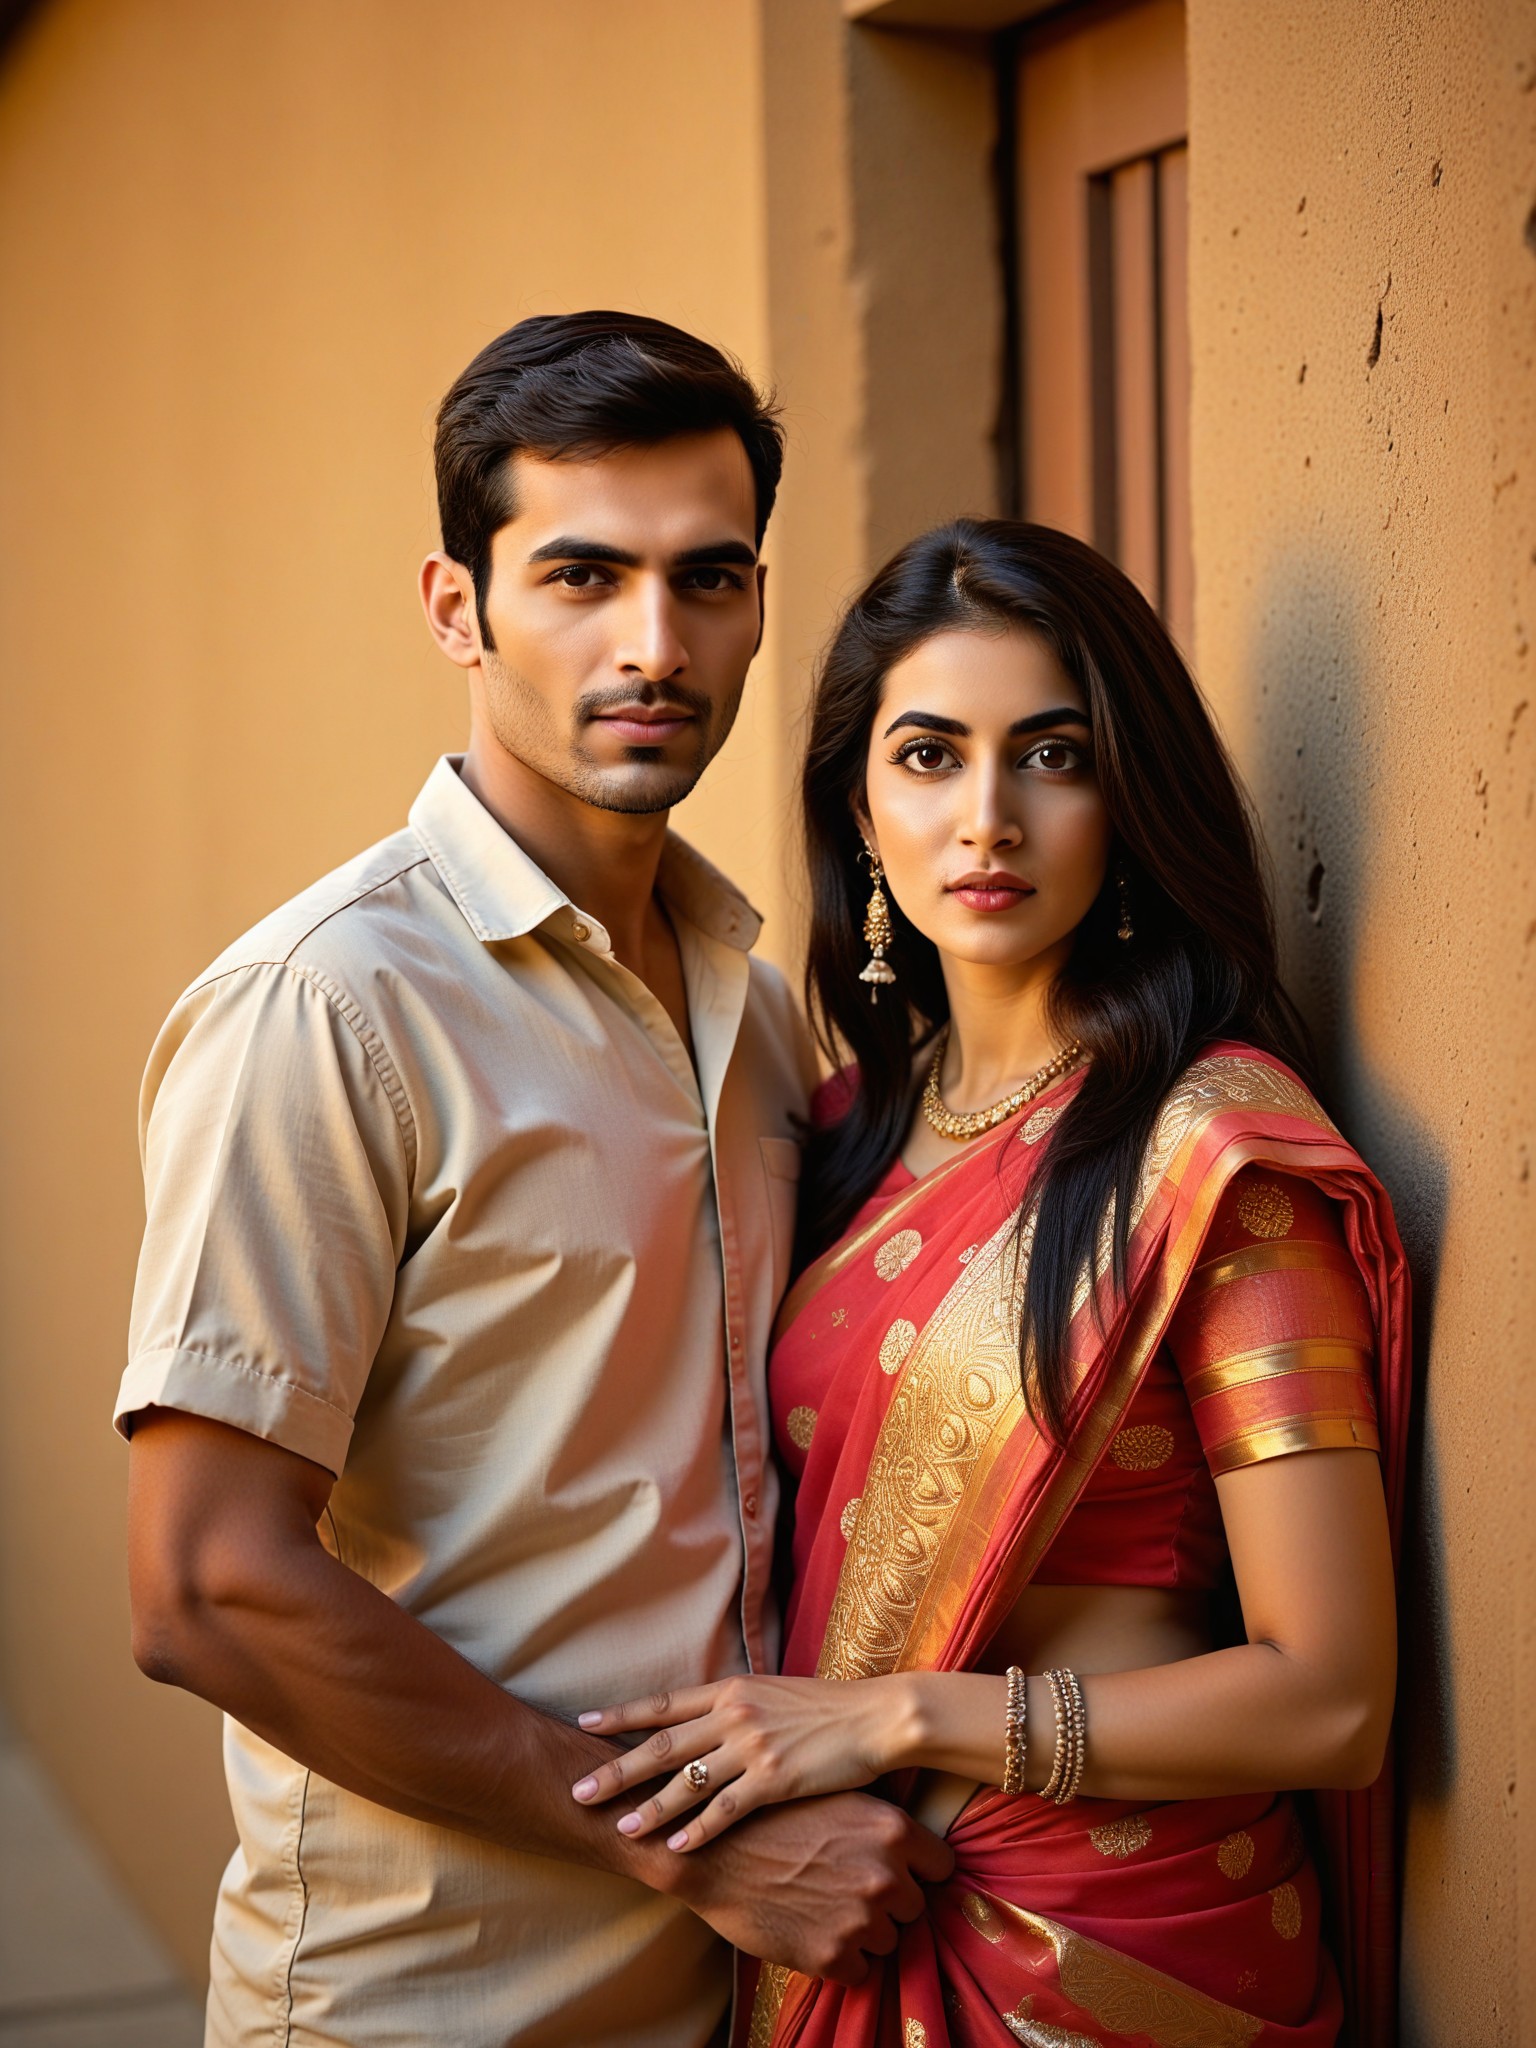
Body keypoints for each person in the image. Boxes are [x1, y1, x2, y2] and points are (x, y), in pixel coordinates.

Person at [117, 313, 951, 2048]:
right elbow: (206, 1585)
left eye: (709, 580)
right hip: (429, 2000)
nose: (655, 644)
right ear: (456, 606)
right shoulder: (330, 1009)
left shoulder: (750, 999)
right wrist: (689, 1852)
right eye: (580, 574)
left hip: (744, 1984)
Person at [571, 519, 1409, 2047]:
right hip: (846, 1905)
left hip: (1126, 1940)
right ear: (861, 806)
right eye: (931, 755)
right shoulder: (831, 1141)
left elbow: (1333, 1698)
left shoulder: (1216, 1166)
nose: (990, 819)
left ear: (1127, 793)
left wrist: (897, 1716)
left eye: (1052, 754)